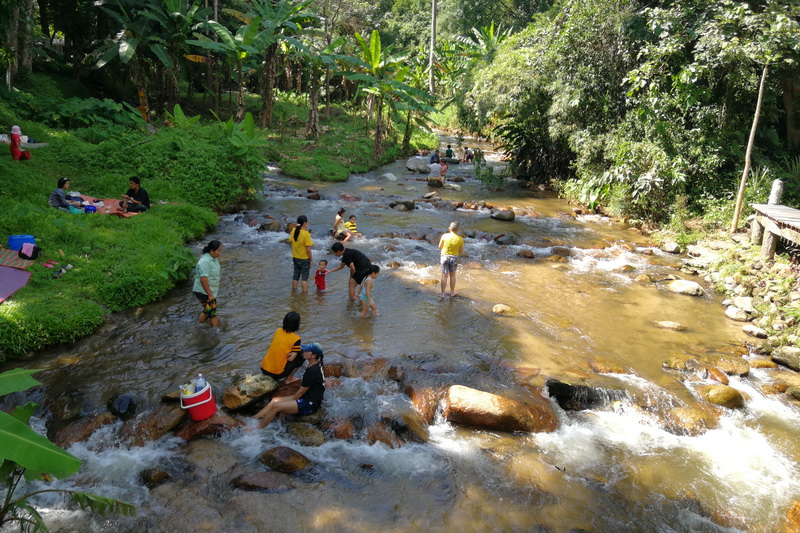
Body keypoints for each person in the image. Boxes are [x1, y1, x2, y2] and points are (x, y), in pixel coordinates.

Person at [254, 342, 325, 428]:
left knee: (276, 407)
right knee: (275, 400)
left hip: (309, 404)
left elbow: (300, 393)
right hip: (307, 397)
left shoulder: (312, 371)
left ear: (313, 355)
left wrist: (285, 408)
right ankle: (253, 419)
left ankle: (256, 429)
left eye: (307, 351)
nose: (304, 351)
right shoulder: (317, 364)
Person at [260, 311, 304, 383]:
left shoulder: (278, 331)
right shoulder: (296, 339)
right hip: (277, 374)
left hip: (264, 369)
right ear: (297, 325)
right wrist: (289, 355)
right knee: (302, 354)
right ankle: (289, 379)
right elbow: (290, 359)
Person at [192, 240, 222, 327]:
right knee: (212, 312)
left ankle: (199, 324)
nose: (220, 253)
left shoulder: (214, 258)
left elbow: (213, 275)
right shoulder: (204, 261)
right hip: (203, 291)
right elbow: (203, 280)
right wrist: (210, 295)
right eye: (218, 251)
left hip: (209, 290)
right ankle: (217, 331)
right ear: (212, 251)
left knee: (207, 309)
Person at [438, 221, 465, 298]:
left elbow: (440, 246)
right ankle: (452, 292)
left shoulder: (444, 236)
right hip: (454, 257)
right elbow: (462, 251)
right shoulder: (460, 239)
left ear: (449, 228)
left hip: (444, 256)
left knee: (444, 275)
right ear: (458, 229)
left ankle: (443, 293)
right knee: (452, 276)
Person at [290, 215, 314, 293]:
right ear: (304, 223)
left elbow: (291, 242)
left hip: (295, 257)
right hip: (304, 259)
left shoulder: (293, 231)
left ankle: (294, 292)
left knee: (295, 275)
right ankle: (304, 296)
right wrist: (311, 259)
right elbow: (308, 249)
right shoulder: (306, 234)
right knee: (304, 278)